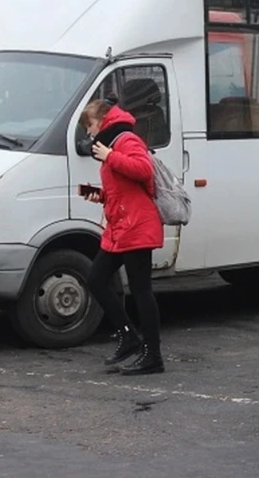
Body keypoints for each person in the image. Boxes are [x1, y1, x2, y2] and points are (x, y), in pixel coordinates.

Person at [80, 95, 165, 375]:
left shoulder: (124, 140)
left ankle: (152, 355)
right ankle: (129, 336)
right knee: (96, 279)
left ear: (102, 121)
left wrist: (110, 157)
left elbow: (144, 169)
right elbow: (124, 188)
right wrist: (99, 196)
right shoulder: (112, 143)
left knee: (141, 290)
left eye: (89, 125)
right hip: (122, 225)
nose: (89, 132)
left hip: (136, 225)